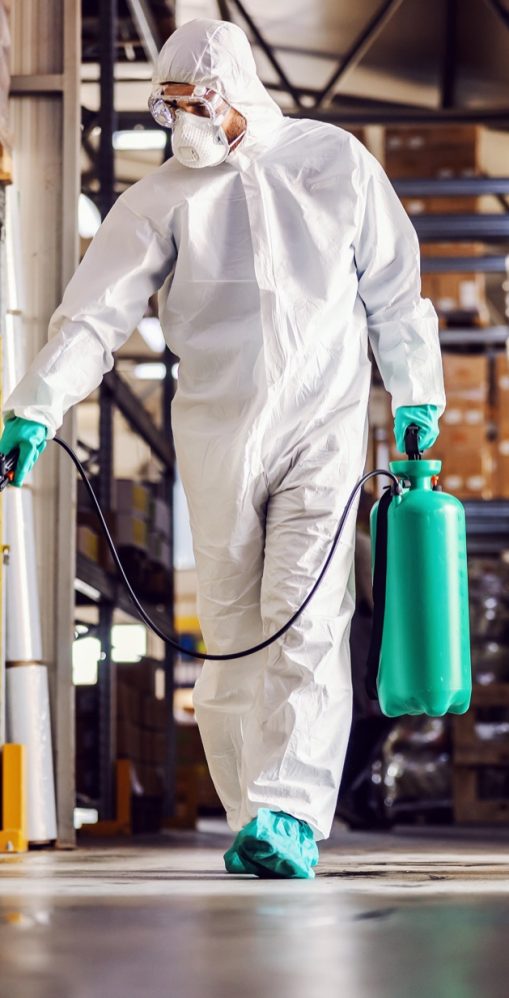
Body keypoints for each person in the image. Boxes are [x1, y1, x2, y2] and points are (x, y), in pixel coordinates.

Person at [0, 18, 445, 878]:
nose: (182, 123)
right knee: (237, 629)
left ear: (233, 91)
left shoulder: (333, 164)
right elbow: (94, 314)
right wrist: (37, 407)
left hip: (323, 425)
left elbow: (395, 291)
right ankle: (253, 814)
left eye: (193, 102)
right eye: (167, 107)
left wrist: (416, 393)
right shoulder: (162, 197)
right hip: (218, 429)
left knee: (306, 620)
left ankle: (290, 811)